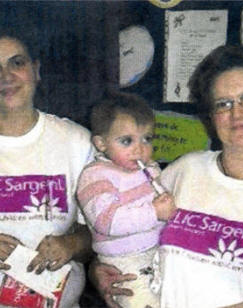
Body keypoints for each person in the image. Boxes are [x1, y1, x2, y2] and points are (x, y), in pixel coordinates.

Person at [89, 45, 243, 308]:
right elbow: (122, 232)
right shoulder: (185, 170)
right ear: (210, 116)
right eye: (223, 103)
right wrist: (99, 271)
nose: (237, 113)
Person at [0, 24, 95, 308]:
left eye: (17, 63)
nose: (7, 77)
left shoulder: (77, 142)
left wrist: (70, 245)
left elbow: (97, 230)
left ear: (35, 70)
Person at [77, 92, 176, 308]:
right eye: (126, 141)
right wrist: (154, 213)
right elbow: (106, 221)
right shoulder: (96, 175)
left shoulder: (151, 169)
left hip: (157, 252)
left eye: (147, 139)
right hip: (124, 263)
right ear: (101, 143)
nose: (139, 149)